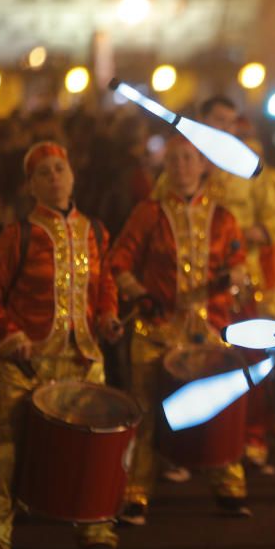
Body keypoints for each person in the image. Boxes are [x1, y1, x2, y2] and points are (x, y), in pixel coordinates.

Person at [0, 141, 123, 549]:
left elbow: (104, 282)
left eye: (60, 169)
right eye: (43, 173)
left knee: (94, 447)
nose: (54, 177)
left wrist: (108, 315)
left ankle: (95, 526)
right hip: (25, 360)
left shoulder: (95, 231)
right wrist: (9, 334)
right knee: (7, 445)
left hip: (82, 357)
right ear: (30, 187)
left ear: (73, 176)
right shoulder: (17, 234)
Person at [107, 135, 250, 526]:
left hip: (207, 332)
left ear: (204, 165)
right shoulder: (148, 213)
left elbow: (239, 263)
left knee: (219, 409)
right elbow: (118, 262)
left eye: (189, 159)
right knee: (146, 411)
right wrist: (139, 293)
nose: (182, 166)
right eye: (174, 159)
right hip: (155, 330)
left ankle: (228, 485)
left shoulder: (223, 217)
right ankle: (136, 493)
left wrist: (234, 277)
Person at [199, 96, 275, 464]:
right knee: (201, 360)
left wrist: (251, 233)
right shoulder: (187, 162)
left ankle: (254, 435)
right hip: (195, 284)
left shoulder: (249, 165)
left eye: (230, 121)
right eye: (217, 119)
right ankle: (204, 442)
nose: (224, 127)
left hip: (247, 278)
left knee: (251, 356)